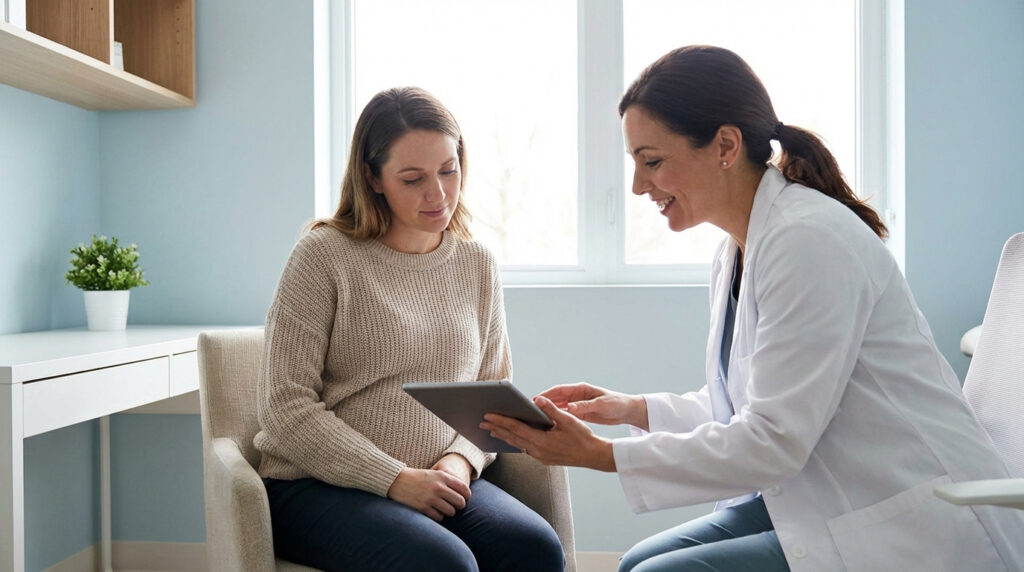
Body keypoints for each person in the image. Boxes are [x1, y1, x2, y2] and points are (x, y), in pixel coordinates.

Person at [481, 46, 1024, 572]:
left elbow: (772, 441)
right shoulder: (739, 249)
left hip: (906, 518)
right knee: (638, 562)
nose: (638, 185)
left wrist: (601, 454)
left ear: (724, 145)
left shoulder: (808, 241)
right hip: (827, 493)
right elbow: (747, 405)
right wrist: (632, 408)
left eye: (653, 162)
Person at [254, 86, 564, 572]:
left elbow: (491, 396)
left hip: (440, 480)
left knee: (535, 548)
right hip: (316, 485)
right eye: (413, 178)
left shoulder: (477, 263)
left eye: (449, 169)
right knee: (442, 563)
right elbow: (284, 408)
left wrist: (458, 462)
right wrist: (395, 479)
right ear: (373, 178)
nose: (438, 193)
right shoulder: (323, 255)